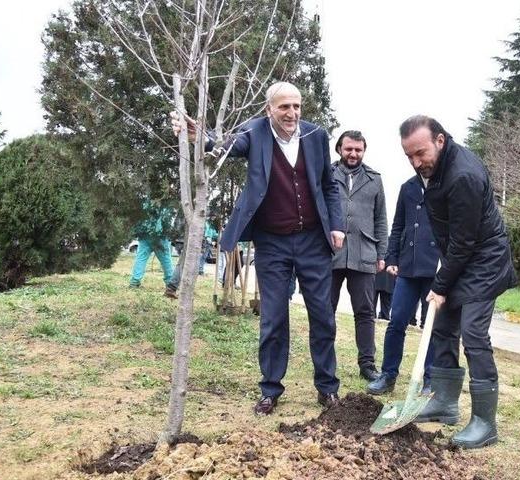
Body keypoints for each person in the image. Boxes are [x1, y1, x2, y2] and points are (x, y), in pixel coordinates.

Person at [171, 81, 345, 416]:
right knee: (274, 318)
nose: (292, 113)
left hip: (312, 240)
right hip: (273, 241)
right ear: (269, 109)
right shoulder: (255, 132)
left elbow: (328, 184)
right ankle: (270, 389)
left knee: (323, 316)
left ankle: (327, 388)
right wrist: (199, 135)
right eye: (284, 107)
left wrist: (336, 224)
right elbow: (225, 145)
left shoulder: (316, 136)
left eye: (296, 106)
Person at [398, 115, 517, 449]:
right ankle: (445, 402)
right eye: (409, 156)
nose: (416, 162)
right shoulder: (433, 169)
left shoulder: (462, 175)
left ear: (439, 139)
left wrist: (439, 285)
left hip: (484, 261)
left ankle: (484, 422)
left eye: (420, 153)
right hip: (460, 257)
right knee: (444, 326)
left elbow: (464, 242)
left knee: (474, 334)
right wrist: (445, 279)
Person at [367, 175, 440, 396]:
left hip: (435, 269)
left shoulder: (446, 184)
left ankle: (430, 380)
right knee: (396, 322)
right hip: (408, 268)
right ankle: (388, 375)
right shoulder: (408, 187)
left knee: (432, 327)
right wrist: (392, 258)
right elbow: (398, 225)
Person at [329, 130, 388, 381]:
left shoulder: (375, 179)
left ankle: (367, 364)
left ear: (364, 151)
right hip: (329, 254)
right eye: (348, 149)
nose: (353, 154)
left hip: (364, 254)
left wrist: (382, 253)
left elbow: (381, 218)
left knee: (365, 312)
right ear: (339, 149)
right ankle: (325, 363)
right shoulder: (326, 174)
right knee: (324, 310)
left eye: (358, 150)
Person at [129, 199, 175, 290]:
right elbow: (167, 219)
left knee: (140, 259)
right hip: (160, 236)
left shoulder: (145, 201)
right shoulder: (165, 201)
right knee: (166, 260)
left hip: (145, 234)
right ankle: (170, 284)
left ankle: (134, 282)